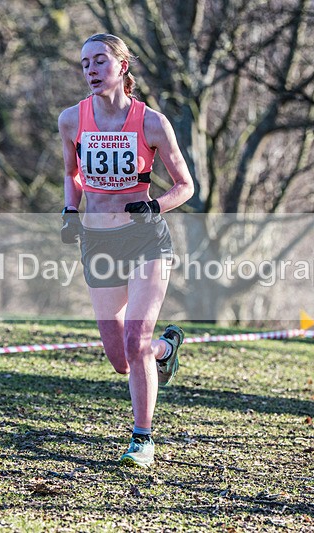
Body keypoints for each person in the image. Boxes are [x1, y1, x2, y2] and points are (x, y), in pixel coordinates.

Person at [57, 33, 195, 467]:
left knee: (136, 339)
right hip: (97, 241)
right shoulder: (71, 120)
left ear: (122, 66)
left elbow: (185, 186)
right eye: (85, 63)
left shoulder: (151, 123)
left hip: (144, 239)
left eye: (100, 61)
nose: (91, 70)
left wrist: (155, 204)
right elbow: (72, 175)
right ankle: (166, 351)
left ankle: (143, 438)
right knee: (122, 359)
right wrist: (69, 209)